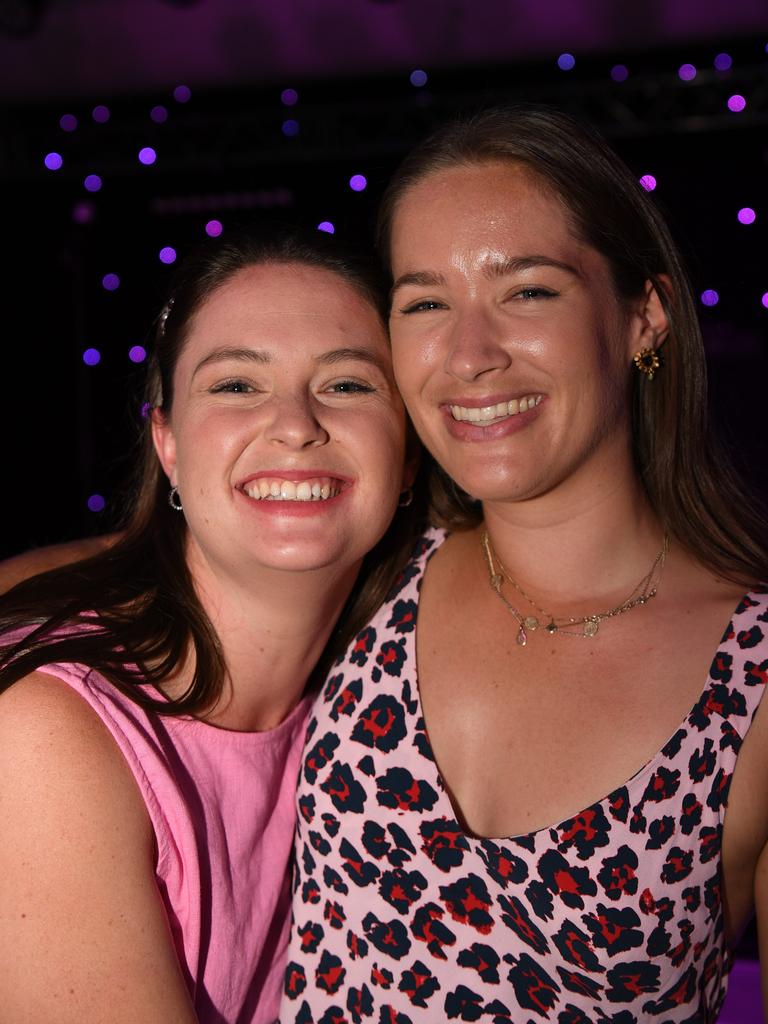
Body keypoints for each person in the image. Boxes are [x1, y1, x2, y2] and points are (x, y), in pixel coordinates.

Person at [280, 106, 768, 1022]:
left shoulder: (756, 682)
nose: (470, 356)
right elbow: (127, 580)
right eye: (425, 302)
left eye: (529, 291)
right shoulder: (365, 564)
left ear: (643, 317)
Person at [0, 229, 423, 1024]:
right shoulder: (46, 738)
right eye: (235, 385)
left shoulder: (384, 693)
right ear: (166, 444)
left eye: (348, 385)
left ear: (407, 457)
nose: (296, 425)